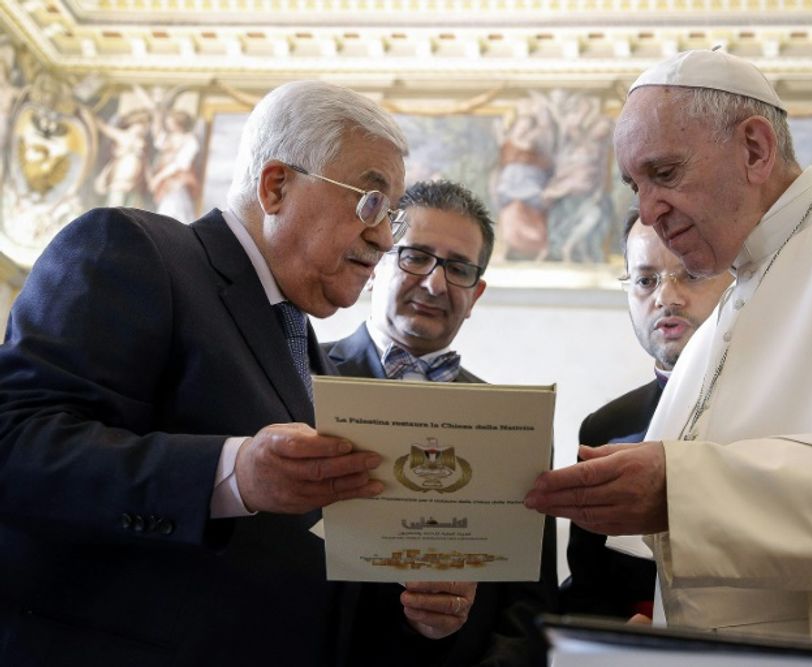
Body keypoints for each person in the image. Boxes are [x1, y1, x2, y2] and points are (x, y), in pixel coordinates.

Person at [525, 48, 812, 654]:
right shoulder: (720, 318)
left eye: (664, 174)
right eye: (635, 186)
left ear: (754, 148)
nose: (647, 212)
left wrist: (682, 489)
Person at [0, 80, 471, 666]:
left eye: (391, 216)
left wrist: (418, 606)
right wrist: (231, 474)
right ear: (276, 185)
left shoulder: (309, 352)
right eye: (369, 201)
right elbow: (16, 446)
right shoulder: (133, 249)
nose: (381, 237)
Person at [324, 179, 558, 666]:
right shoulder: (299, 379)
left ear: (476, 294)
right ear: (375, 263)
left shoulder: (516, 426)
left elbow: (529, 605)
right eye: (415, 256)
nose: (434, 283)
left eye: (458, 268)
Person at [559, 207, 730, 620]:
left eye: (690, 274)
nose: (666, 297)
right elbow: (588, 586)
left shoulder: (781, 411)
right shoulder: (605, 427)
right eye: (645, 280)